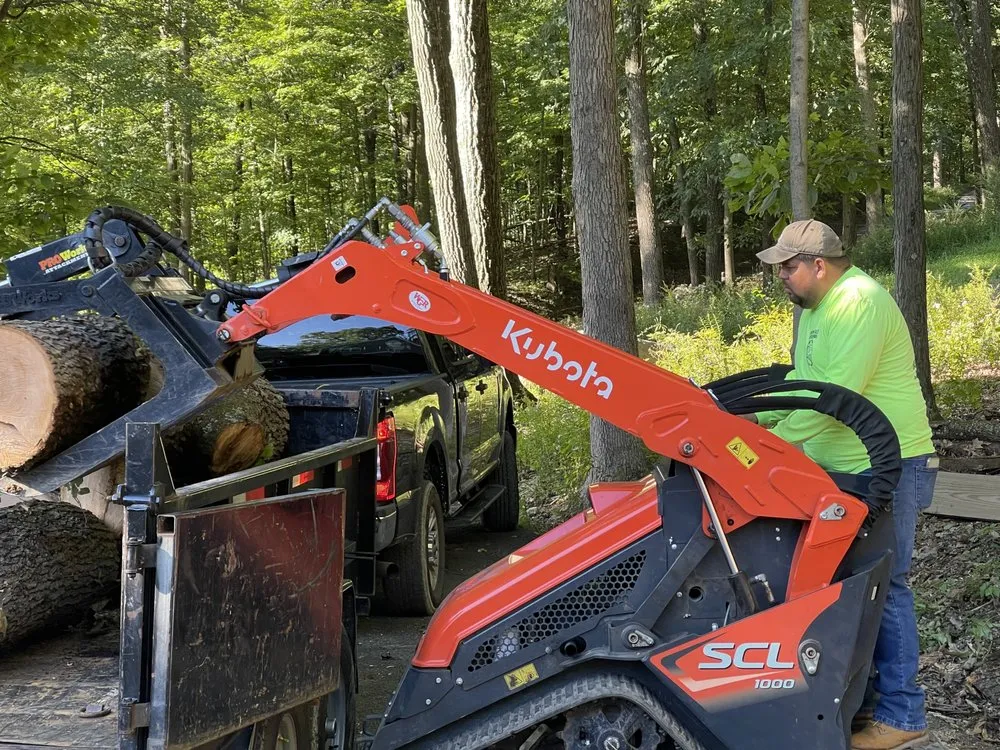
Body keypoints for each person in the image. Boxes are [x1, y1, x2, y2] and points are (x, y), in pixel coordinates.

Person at [751, 219, 938, 750]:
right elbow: (802, 383)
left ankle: (904, 715)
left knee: (886, 584)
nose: (781, 277)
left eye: (788, 267)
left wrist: (775, 447)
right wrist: (750, 422)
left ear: (818, 264)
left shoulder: (858, 300)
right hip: (841, 468)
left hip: (887, 467)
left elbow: (837, 396)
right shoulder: (815, 311)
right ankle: (864, 706)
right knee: (854, 587)